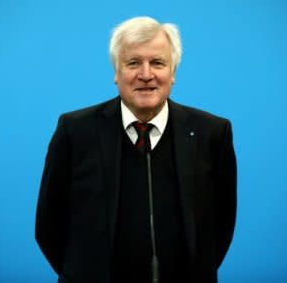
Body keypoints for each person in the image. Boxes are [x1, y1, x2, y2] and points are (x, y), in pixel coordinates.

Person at [35, 16, 237, 283]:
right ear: (116, 73)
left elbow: (221, 225)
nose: (146, 74)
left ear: (173, 72)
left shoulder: (211, 133)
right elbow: (49, 223)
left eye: (157, 62)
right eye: (133, 63)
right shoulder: (75, 131)